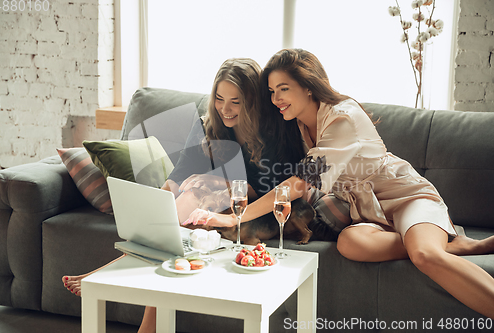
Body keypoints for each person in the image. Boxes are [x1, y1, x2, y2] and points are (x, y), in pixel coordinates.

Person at [185, 48, 494, 319]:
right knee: (349, 243)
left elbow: (299, 184)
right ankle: (448, 243)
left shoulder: (342, 117)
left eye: (283, 89)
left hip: (405, 198)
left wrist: (233, 216)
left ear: (308, 86)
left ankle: (431, 244)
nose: (275, 99)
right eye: (271, 91)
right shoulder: (300, 123)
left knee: (426, 257)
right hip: (368, 213)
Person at [62, 57, 304, 333]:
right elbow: (183, 170)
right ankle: (140, 316)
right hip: (221, 203)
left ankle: (109, 279)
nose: (225, 109)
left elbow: (267, 187)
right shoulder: (208, 123)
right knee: (182, 203)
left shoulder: (272, 130)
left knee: (192, 199)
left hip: (263, 211)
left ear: (252, 101)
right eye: (219, 98)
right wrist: (162, 198)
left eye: (235, 102)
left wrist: (216, 181)